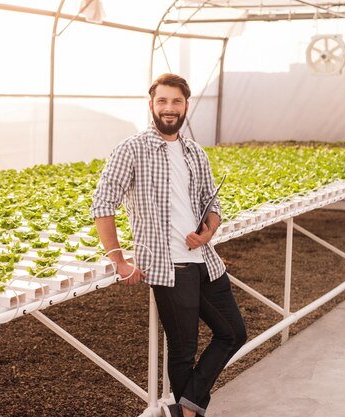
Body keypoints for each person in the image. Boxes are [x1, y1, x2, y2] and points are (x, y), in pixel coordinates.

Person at [90, 73, 247, 417]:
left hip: (205, 261)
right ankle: (189, 413)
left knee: (234, 333)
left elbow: (212, 203)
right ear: (151, 105)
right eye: (162, 101)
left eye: (176, 101)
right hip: (169, 267)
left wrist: (209, 231)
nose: (169, 108)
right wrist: (118, 260)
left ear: (186, 105)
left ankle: (185, 408)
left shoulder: (194, 152)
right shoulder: (131, 150)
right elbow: (102, 204)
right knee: (183, 349)